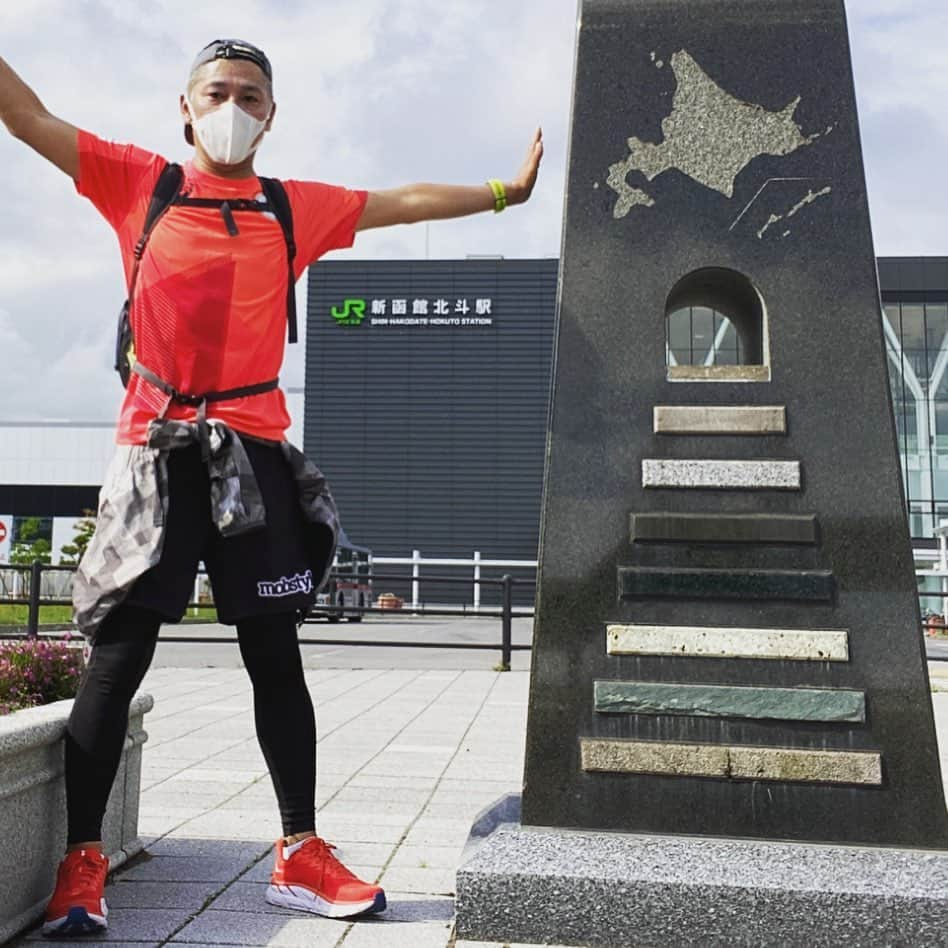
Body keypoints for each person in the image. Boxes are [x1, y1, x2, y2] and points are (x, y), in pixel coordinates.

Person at [0, 38, 542, 937]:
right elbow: (27, 118)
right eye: (218, 91)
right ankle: (82, 863)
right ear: (185, 106)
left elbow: (398, 204)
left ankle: (299, 852)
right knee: (120, 655)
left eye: (251, 93)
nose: (234, 106)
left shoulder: (293, 208)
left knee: (274, 655)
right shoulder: (139, 183)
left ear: (272, 114)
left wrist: (501, 194)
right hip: (157, 452)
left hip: (255, 453)